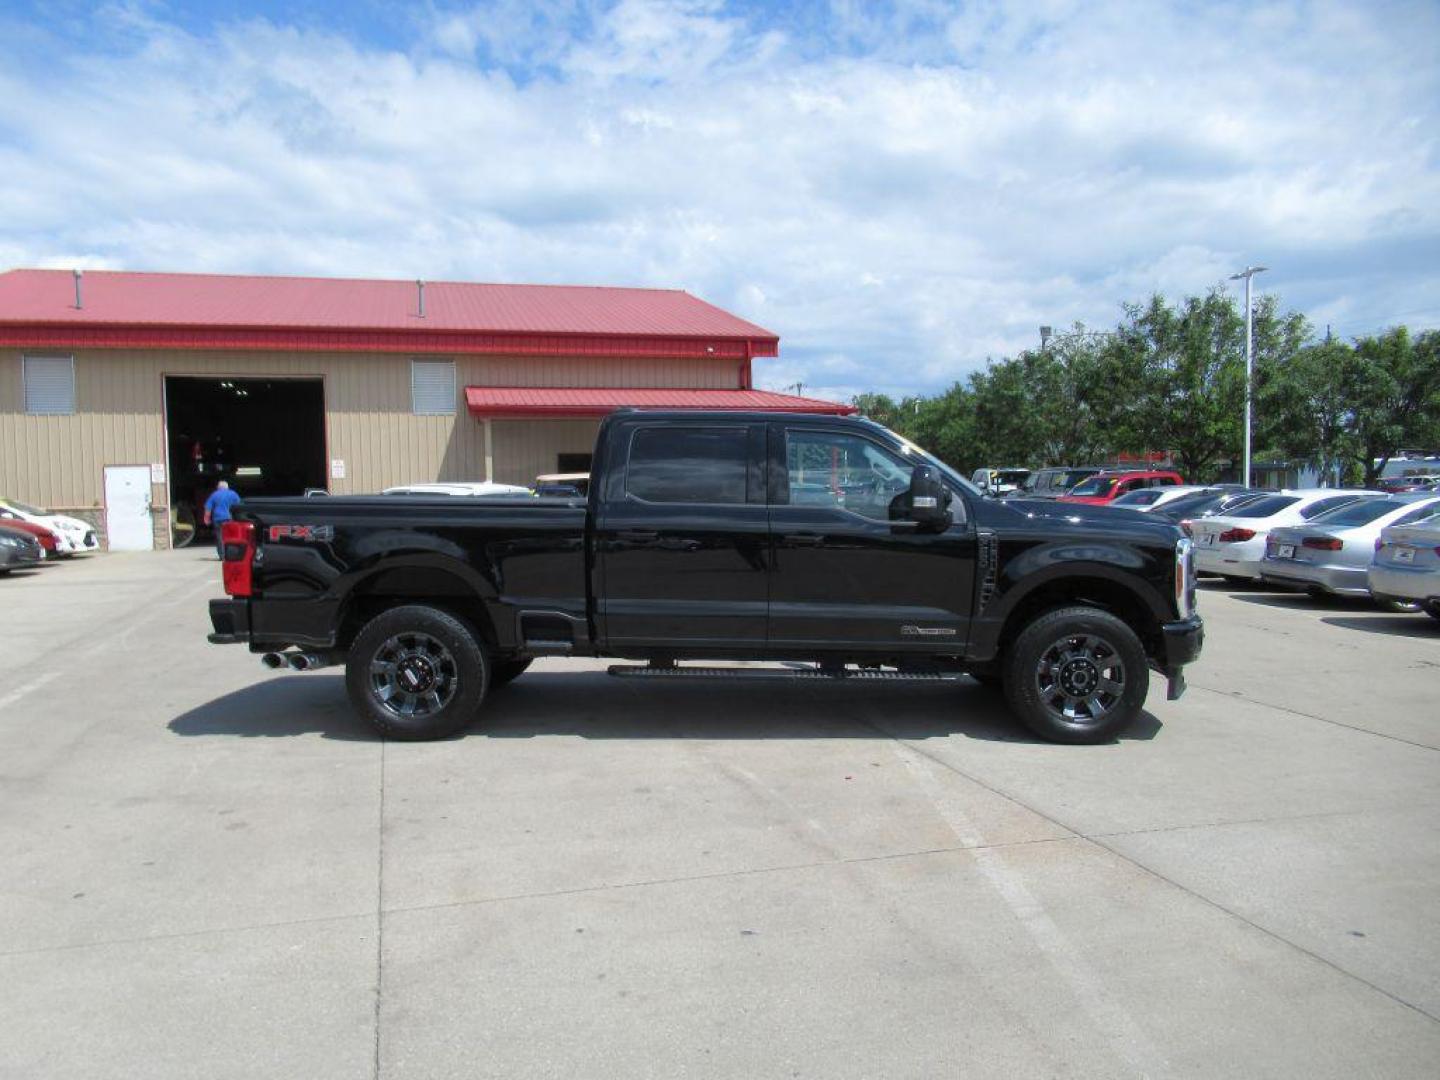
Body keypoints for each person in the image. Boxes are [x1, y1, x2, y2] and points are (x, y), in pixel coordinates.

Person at [203, 480, 242, 558]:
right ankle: (231, 554)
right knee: (231, 536)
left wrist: (206, 518)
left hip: (217, 519)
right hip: (229, 518)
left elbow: (208, 508)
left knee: (219, 537)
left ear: (218, 487)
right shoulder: (233, 494)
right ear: (227, 487)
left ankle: (222, 555)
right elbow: (239, 506)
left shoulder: (214, 495)